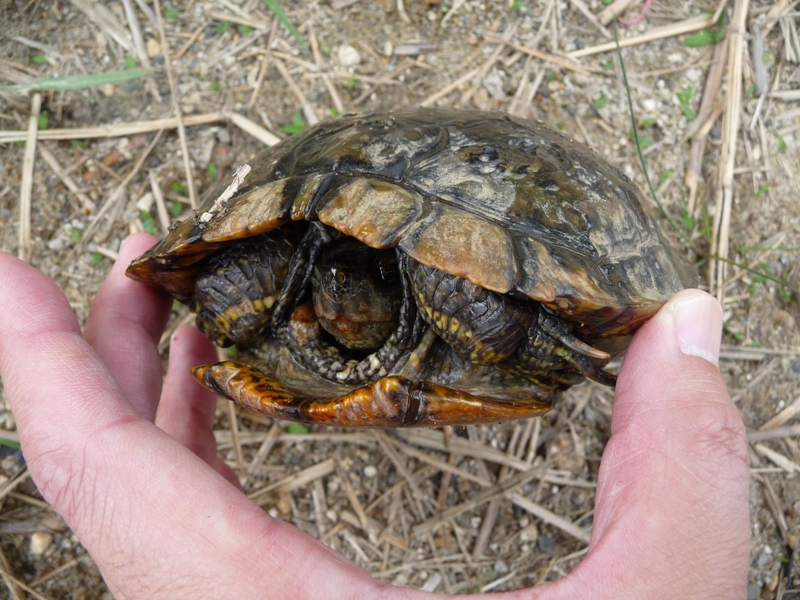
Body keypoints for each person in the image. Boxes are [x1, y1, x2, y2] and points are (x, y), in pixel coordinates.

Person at [0, 234, 750, 599]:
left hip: (453, 324)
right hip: (315, 342)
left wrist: (512, 327)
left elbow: (479, 295)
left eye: (367, 285)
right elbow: (228, 285)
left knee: (469, 295)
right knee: (239, 281)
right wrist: (236, 293)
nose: (341, 296)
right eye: (330, 285)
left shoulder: (441, 299)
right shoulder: (299, 300)